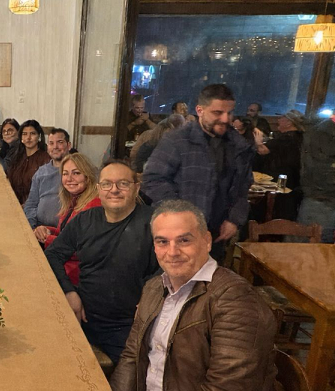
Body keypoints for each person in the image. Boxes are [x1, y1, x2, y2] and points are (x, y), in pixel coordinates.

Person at [110, 199, 278, 391]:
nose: (172, 252)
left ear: (207, 241)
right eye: (162, 242)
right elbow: (132, 357)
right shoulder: (154, 288)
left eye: (184, 240)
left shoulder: (236, 301)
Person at [45, 161, 159, 363]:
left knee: (130, 379)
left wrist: (151, 297)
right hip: (82, 318)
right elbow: (53, 255)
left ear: (136, 188)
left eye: (123, 183)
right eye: (107, 184)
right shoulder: (85, 220)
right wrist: (69, 291)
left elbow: (168, 268)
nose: (114, 190)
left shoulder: (154, 223)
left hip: (129, 327)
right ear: (98, 188)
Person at [142, 84, 253, 262]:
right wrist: (179, 213)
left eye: (230, 112)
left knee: (211, 278)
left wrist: (234, 219)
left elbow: (243, 186)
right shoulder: (177, 140)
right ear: (199, 110)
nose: (225, 119)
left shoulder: (238, 145)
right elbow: (152, 179)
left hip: (217, 234)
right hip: (177, 232)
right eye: (217, 112)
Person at [37, 153, 101, 285]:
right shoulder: (73, 200)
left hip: (76, 277)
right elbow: (65, 233)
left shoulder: (94, 205)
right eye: (65, 174)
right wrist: (45, 230)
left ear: (87, 176)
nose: (69, 179)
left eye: (76, 173)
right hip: (63, 266)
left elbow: (81, 249)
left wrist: (48, 239)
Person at [23, 128, 72, 229]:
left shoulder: (78, 171)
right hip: (40, 229)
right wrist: (34, 229)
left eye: (60, 142)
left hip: (67, 230)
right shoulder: (40, 173)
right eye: (51, 143)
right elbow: (31, 204)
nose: (55, 147)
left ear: (69, 145)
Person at [297, 114, 335, 243]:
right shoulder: (323, 133)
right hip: (323, 201)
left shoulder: (322, 129)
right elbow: (320, 170)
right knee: (312, 247)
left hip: (323, 200)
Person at [253, 109, 305, 189]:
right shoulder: (300, 136)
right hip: (293, 177)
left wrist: (258, 141)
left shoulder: (287, 138)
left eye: (281, 118)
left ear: (289, 123)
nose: (278, 120)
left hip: (281, 178)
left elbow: (262, 151)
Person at [6, 120, 51, 204]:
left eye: (32, 134)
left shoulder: (46, 159)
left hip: (35, 206)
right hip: (14, 204)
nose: (28, 138)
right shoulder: (17, 156)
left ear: (39, 136)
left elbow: (45, 190)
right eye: (24, 134)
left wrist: (26, 206)